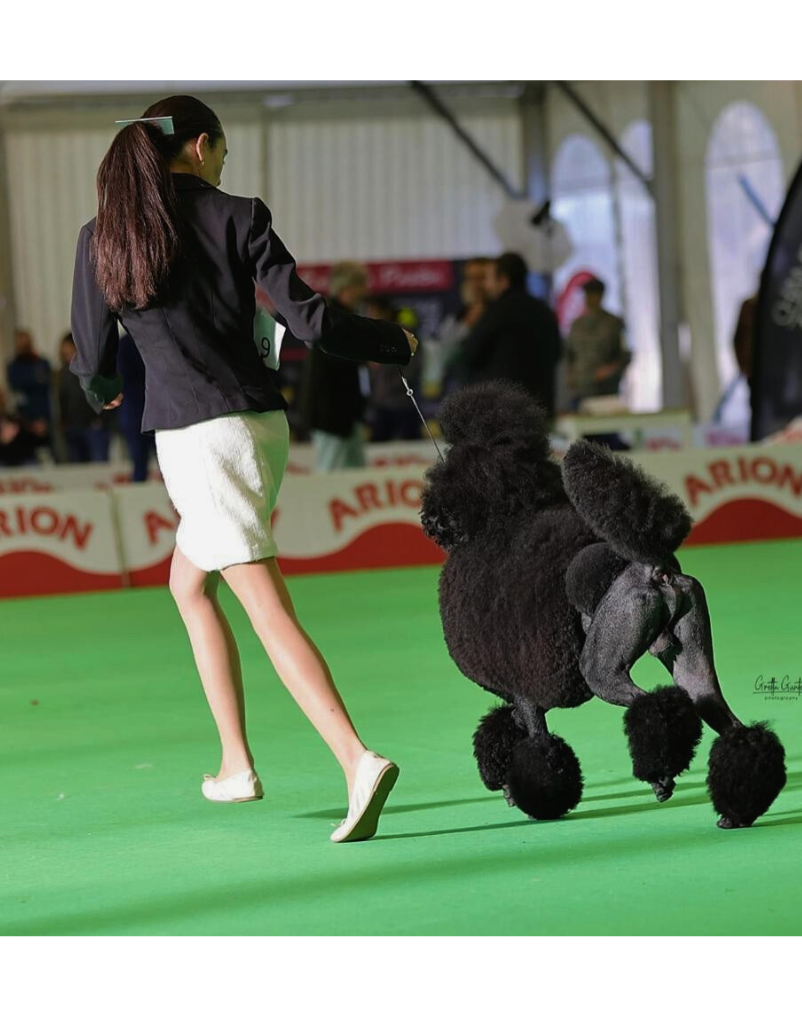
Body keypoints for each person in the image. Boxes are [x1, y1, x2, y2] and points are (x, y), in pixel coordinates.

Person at [70, 95, 418, 844]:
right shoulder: (240, 215)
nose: (224, 166)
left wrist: (101, 390)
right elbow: (312, 322)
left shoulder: (103, 237)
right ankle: (235, 765)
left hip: (195, 440)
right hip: (258, 426)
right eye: (221, 152)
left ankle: (356, 758)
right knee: (188, 584)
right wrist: (397, 342)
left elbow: (93, 365)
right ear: (199, 147)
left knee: (264, 604)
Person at [449, 252, 562, 417]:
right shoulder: (544, 311)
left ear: (503, 280)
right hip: (541, 409)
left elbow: (469, 356)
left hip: (505, 413)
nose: (486, 286)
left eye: (488, 279)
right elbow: (557, 354)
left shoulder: (495, 312)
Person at [300, 261, 373, 471]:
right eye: (361, 285)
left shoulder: (342, 316)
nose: (365, 291)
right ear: (347, 288)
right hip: (331, 416)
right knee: (330, 473)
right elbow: (336, 361)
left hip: (346, 416)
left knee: (354, 471)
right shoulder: (330, 318)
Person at [424, 257, 490, 395]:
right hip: (465, 393)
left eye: (480, 278)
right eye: (470, 278)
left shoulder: (500, 313)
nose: (475, 284)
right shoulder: (458, 316)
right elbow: (442, 356)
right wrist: (467, 324)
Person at [565, 277, 631, 409]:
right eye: (587, 294)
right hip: (581, 389)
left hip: (605, 390)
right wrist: (571, 376)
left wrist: (610, 371)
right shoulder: (577, 325)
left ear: (601, 295)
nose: (589, 298)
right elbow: (569, 354)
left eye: (593, 294)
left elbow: (625, 355)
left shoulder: (614, 324)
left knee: (605, 428)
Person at [365, 296, 422, 442]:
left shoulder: (404, 335)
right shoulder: (368, 337)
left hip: (403, 405)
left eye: (375, 311)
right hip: (380, 406)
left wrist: (390, 387)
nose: (371, 315)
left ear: (386, 312)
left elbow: (413, 367)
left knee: (412, 454)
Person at [57, 332, 112, 464]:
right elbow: (63, 398)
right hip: (74, 428)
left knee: (98, 466)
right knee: (78, 469)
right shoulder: (64, 372)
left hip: (94, 427)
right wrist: (64, 421)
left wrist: (101, 419)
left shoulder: (95, 368)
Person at [6, 329, 55, 459]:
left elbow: (44, 390)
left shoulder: (41, 363)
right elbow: (16, 388)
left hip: (43, 419)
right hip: (23, 421)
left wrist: (41, 419)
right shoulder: (13, 366)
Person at [116, 331, 157, 482]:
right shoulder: (152, 340)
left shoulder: (123, 344)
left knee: (140, 464)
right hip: (146, 412)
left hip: (137, 413)